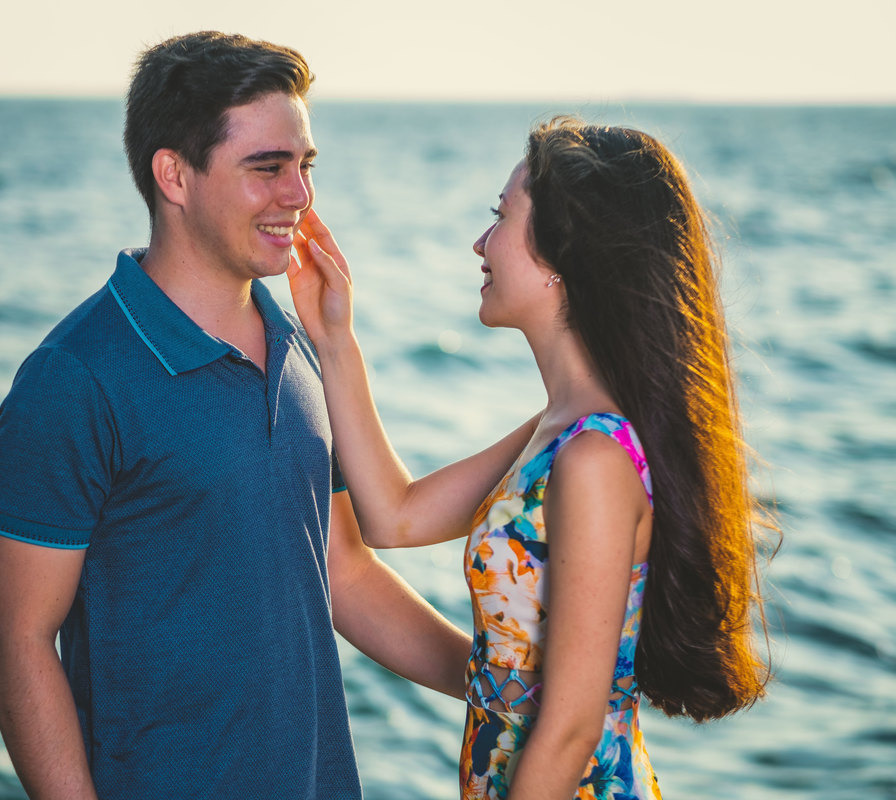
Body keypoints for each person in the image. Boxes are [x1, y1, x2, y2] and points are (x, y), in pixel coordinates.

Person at [0, 31, 471, 800]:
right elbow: (16, 639)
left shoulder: (299, 344)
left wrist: (500, 686)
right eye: (267, 168)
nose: (299, 195)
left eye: (305, 166)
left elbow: (343, 571)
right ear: (174, 175)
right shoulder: (74, 377)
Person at [287, 117, 775, 799]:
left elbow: (571, 730)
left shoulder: (595, 457)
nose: (480, 243)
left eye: (501, 216)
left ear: (561, 253)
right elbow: (394, 518)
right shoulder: (560, 431)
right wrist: (333, 338)